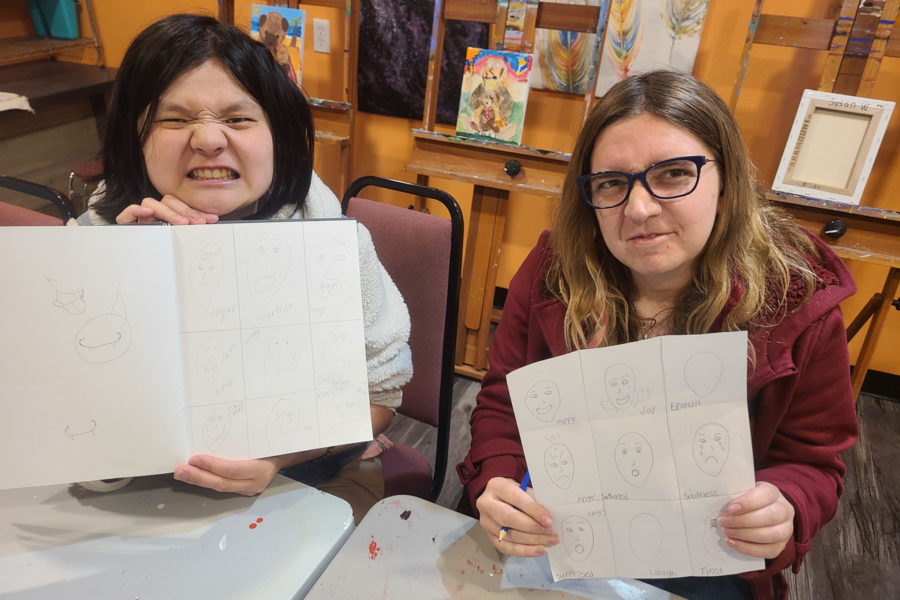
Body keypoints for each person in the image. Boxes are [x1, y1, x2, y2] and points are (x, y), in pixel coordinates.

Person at [456, 70, 858, 600]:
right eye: (612, 184)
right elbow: (503, 404)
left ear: (726, 178)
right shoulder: (555, 272)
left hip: (709, 554)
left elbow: (813, 462)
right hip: (556, 530)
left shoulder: (793, 299)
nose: (639, 209)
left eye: (672, 174)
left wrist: (786, 505)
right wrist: (498, 483)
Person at [76, 13, 412, 522]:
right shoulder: (92, 244)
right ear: (134, 134)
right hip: (138, 491)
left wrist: (281, 457)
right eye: (174, 118)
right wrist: (125, 275)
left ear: (276, 134)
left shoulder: (331, 242)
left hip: (311, 476)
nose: (209, 140)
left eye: (237, 119)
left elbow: (381, 389)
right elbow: (70, 431)